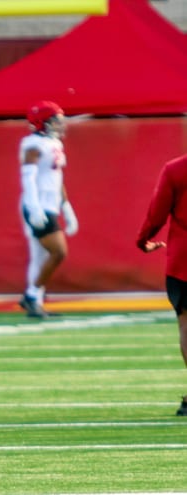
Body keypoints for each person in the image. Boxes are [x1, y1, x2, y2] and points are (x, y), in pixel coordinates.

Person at [136, 153, 187, 416]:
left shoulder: (176, 169)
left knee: (186, 325)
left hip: (183, 262)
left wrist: (143, 239)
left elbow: (157, 213)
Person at [18, 100, 78, 318]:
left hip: (50, 205)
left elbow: (56, 178)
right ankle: (32, 296)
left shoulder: (54, 144)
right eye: (54, 122)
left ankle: (35, 301)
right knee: (58, 252)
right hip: (38, 205)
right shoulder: (32, 144)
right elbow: (29, 178)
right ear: (41, 123)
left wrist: (66, 206)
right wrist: (34, 208)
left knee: (41, 258)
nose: (60, 126)